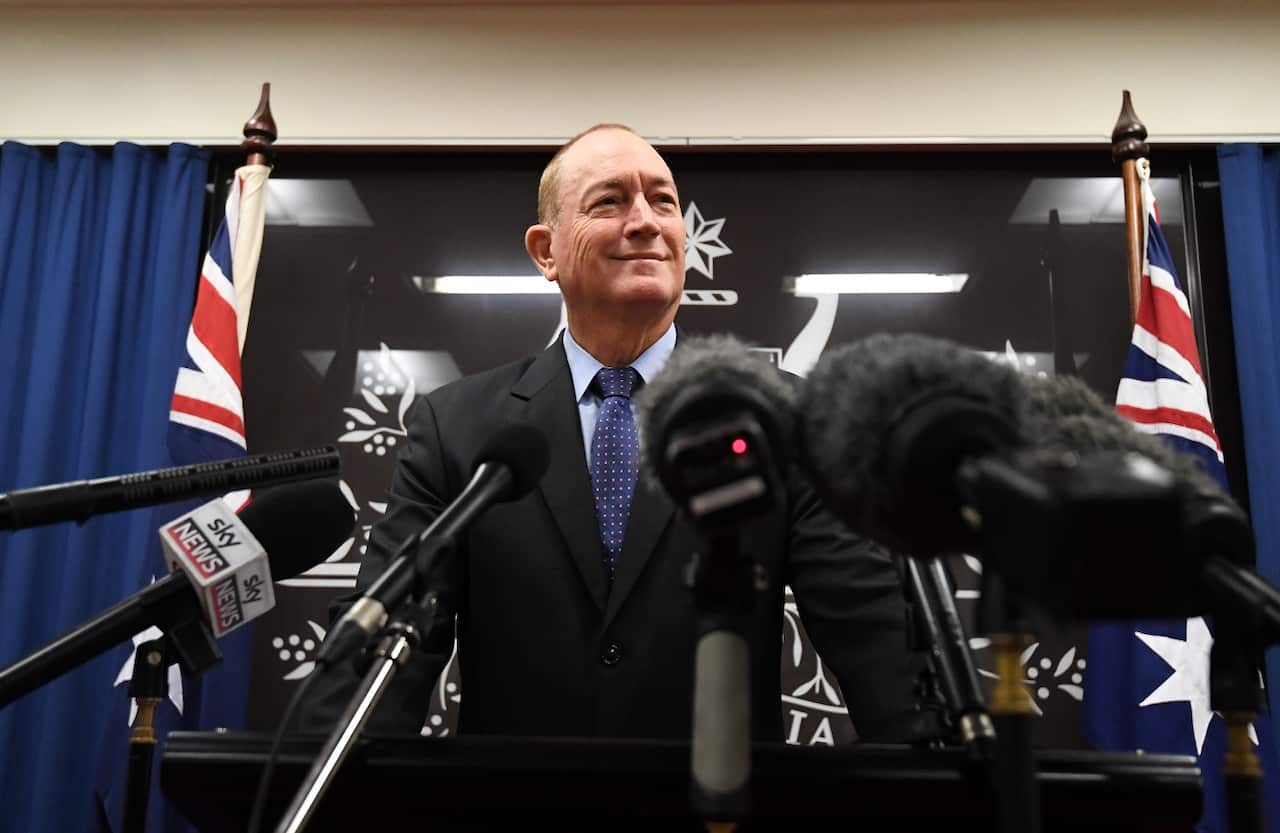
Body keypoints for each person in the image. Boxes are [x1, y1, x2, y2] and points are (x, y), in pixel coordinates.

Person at [298, 124, 922, 742]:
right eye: (610, 202)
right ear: (546, 251)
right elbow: (377, 662)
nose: (647, 221)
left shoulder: (784, 418)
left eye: (664, 201)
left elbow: (878, 643)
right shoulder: (455, 426)